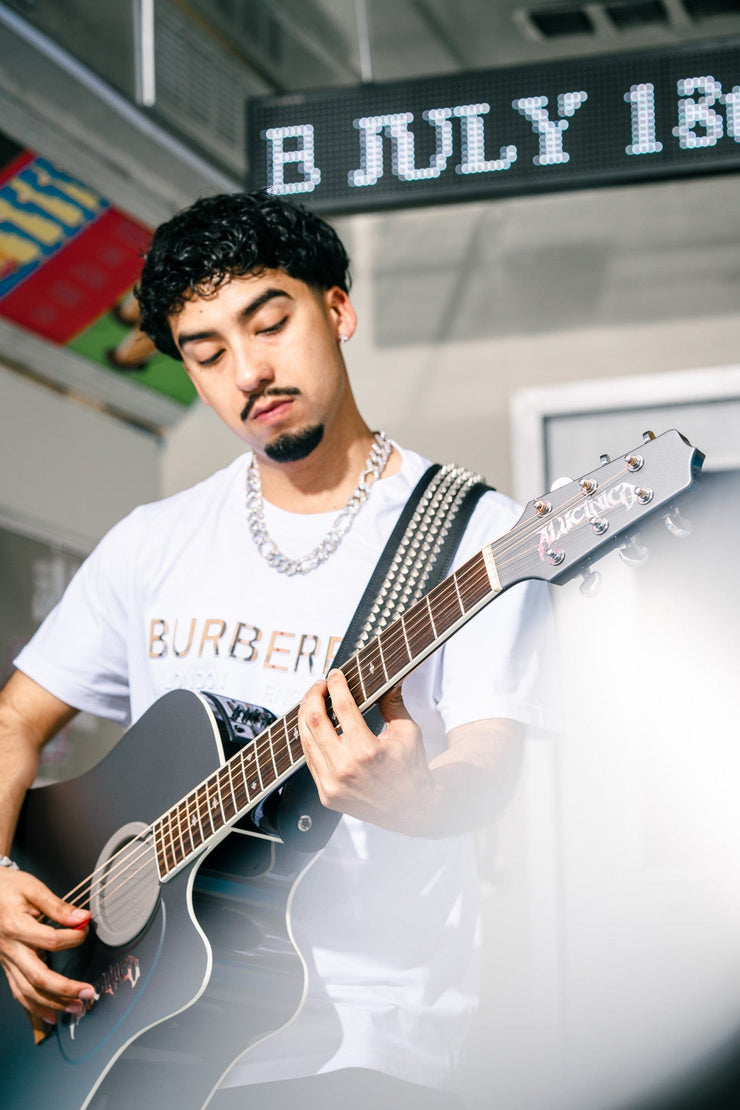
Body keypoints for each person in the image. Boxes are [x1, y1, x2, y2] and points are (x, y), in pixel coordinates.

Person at [0, 192, 555, 1108]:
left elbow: (490, 765)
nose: (248, 371)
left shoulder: (473, 538)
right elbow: (18, 717)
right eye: (207, 353)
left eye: (270, 324)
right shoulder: (154, 540)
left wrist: (419, 799)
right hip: (137, 1023)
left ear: (336, 309)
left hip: (358, 1041)